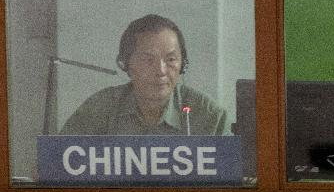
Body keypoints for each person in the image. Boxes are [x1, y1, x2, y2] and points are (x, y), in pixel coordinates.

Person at [60, 14, 227, 135]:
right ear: (126, 63)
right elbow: (56, 165)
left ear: (183, 64)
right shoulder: (99, 109)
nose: (161, 71)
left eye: (170, 59)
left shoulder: (210, 116)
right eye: (148, 60)